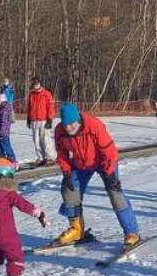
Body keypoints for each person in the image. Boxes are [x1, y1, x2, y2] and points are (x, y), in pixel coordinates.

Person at [52, 103, 141, 250]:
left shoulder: (93, 125)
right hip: (81, 164)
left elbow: (109, 150)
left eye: (71, 124)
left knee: (115, 193)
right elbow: (61, 153)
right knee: (69, 190)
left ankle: (132, 233)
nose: (68, 128)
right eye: (65, 125)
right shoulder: (60, 131)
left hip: (103, 161)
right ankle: (76, 230)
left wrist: (110, 173)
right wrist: (67, 171)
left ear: (78, 120)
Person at [25, 78, 57, 167]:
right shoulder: (31, 94)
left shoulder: (46, 94)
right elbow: (29, 107)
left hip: (44, 120)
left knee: (45, 139)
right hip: (34, 120)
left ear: (39, 84)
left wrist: (50, 119)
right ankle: (40, 157)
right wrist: (28, 118)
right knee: (36, 140)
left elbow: (50, 106)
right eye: (33, 84)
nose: (35, 85)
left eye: (36, 84)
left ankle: (50, 157)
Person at [0, 93, 16, 161]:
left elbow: (4, 122)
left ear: (1, 100)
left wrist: (2, 132)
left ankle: (12, 159)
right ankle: (1, 159)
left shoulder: (5, 109)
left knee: (6, 145)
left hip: (3, 132)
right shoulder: (0, 108)